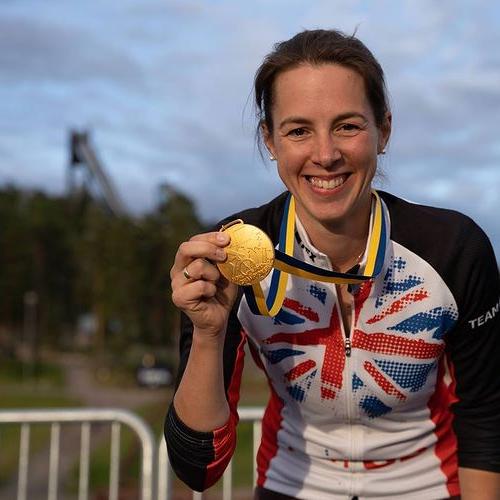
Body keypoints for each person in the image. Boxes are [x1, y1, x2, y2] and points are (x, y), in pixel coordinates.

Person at [165, 29, 500, 499]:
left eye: (348, 126)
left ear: (384, 130)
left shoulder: (453, 247)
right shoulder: (234, 252)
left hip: (427, 486)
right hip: (293, 485)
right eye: (299, 130)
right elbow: (197, 469)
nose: (325, 155)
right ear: (270, 140)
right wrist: (207, 334)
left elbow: (486, 417)